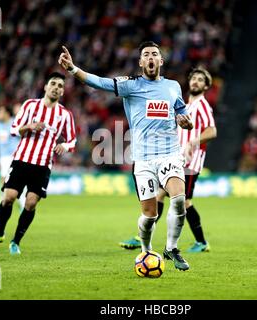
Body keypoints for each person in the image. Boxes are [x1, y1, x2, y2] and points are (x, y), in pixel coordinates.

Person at [58, 41, 194, 270]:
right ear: (141, 62)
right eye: (146, 55)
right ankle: (145, 250)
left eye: (154, 54)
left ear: (161, 61)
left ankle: (172, 248)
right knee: (150, 215)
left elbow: (182, 111)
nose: (150, 58)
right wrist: (73, 69)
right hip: (143, 159)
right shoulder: (131, 85)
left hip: (170, 154)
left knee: (179, 200)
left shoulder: (173, 86)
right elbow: (99, 83)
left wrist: (186, 121)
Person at [119, 67, 217, 253]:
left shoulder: (202, 105)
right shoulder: (186, 105)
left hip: (189, 162)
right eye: (193, 78)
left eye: (200, 80)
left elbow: (212, 131)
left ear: (206, 86)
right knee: (159, 196)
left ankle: (202, 242)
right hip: (175, 159)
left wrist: (193, 142)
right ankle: (142, 236)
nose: (195, 82)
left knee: (184, 201)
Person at [0, 72, 77, 255]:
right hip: (21, 160)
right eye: (53, 84)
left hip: (43, 165)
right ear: (45, 87)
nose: (57, 88)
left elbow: (72, 140)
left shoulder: (65, 114)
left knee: (31, 203)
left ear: (63, 92)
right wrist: (29, 127)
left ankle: (15, 242)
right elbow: (13, 129)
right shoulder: (30, 105)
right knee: (9, 197)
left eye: (60, 86)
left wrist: (64, 145)